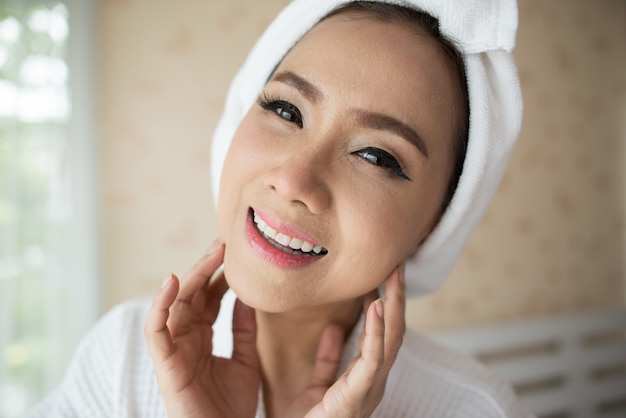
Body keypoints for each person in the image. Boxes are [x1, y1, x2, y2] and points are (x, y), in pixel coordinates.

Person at [27, 0, 530, 417]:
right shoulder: (120, 354)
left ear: (434, 224)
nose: (294, 181)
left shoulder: (474, 408)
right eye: (286, 110)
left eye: (376, 156)